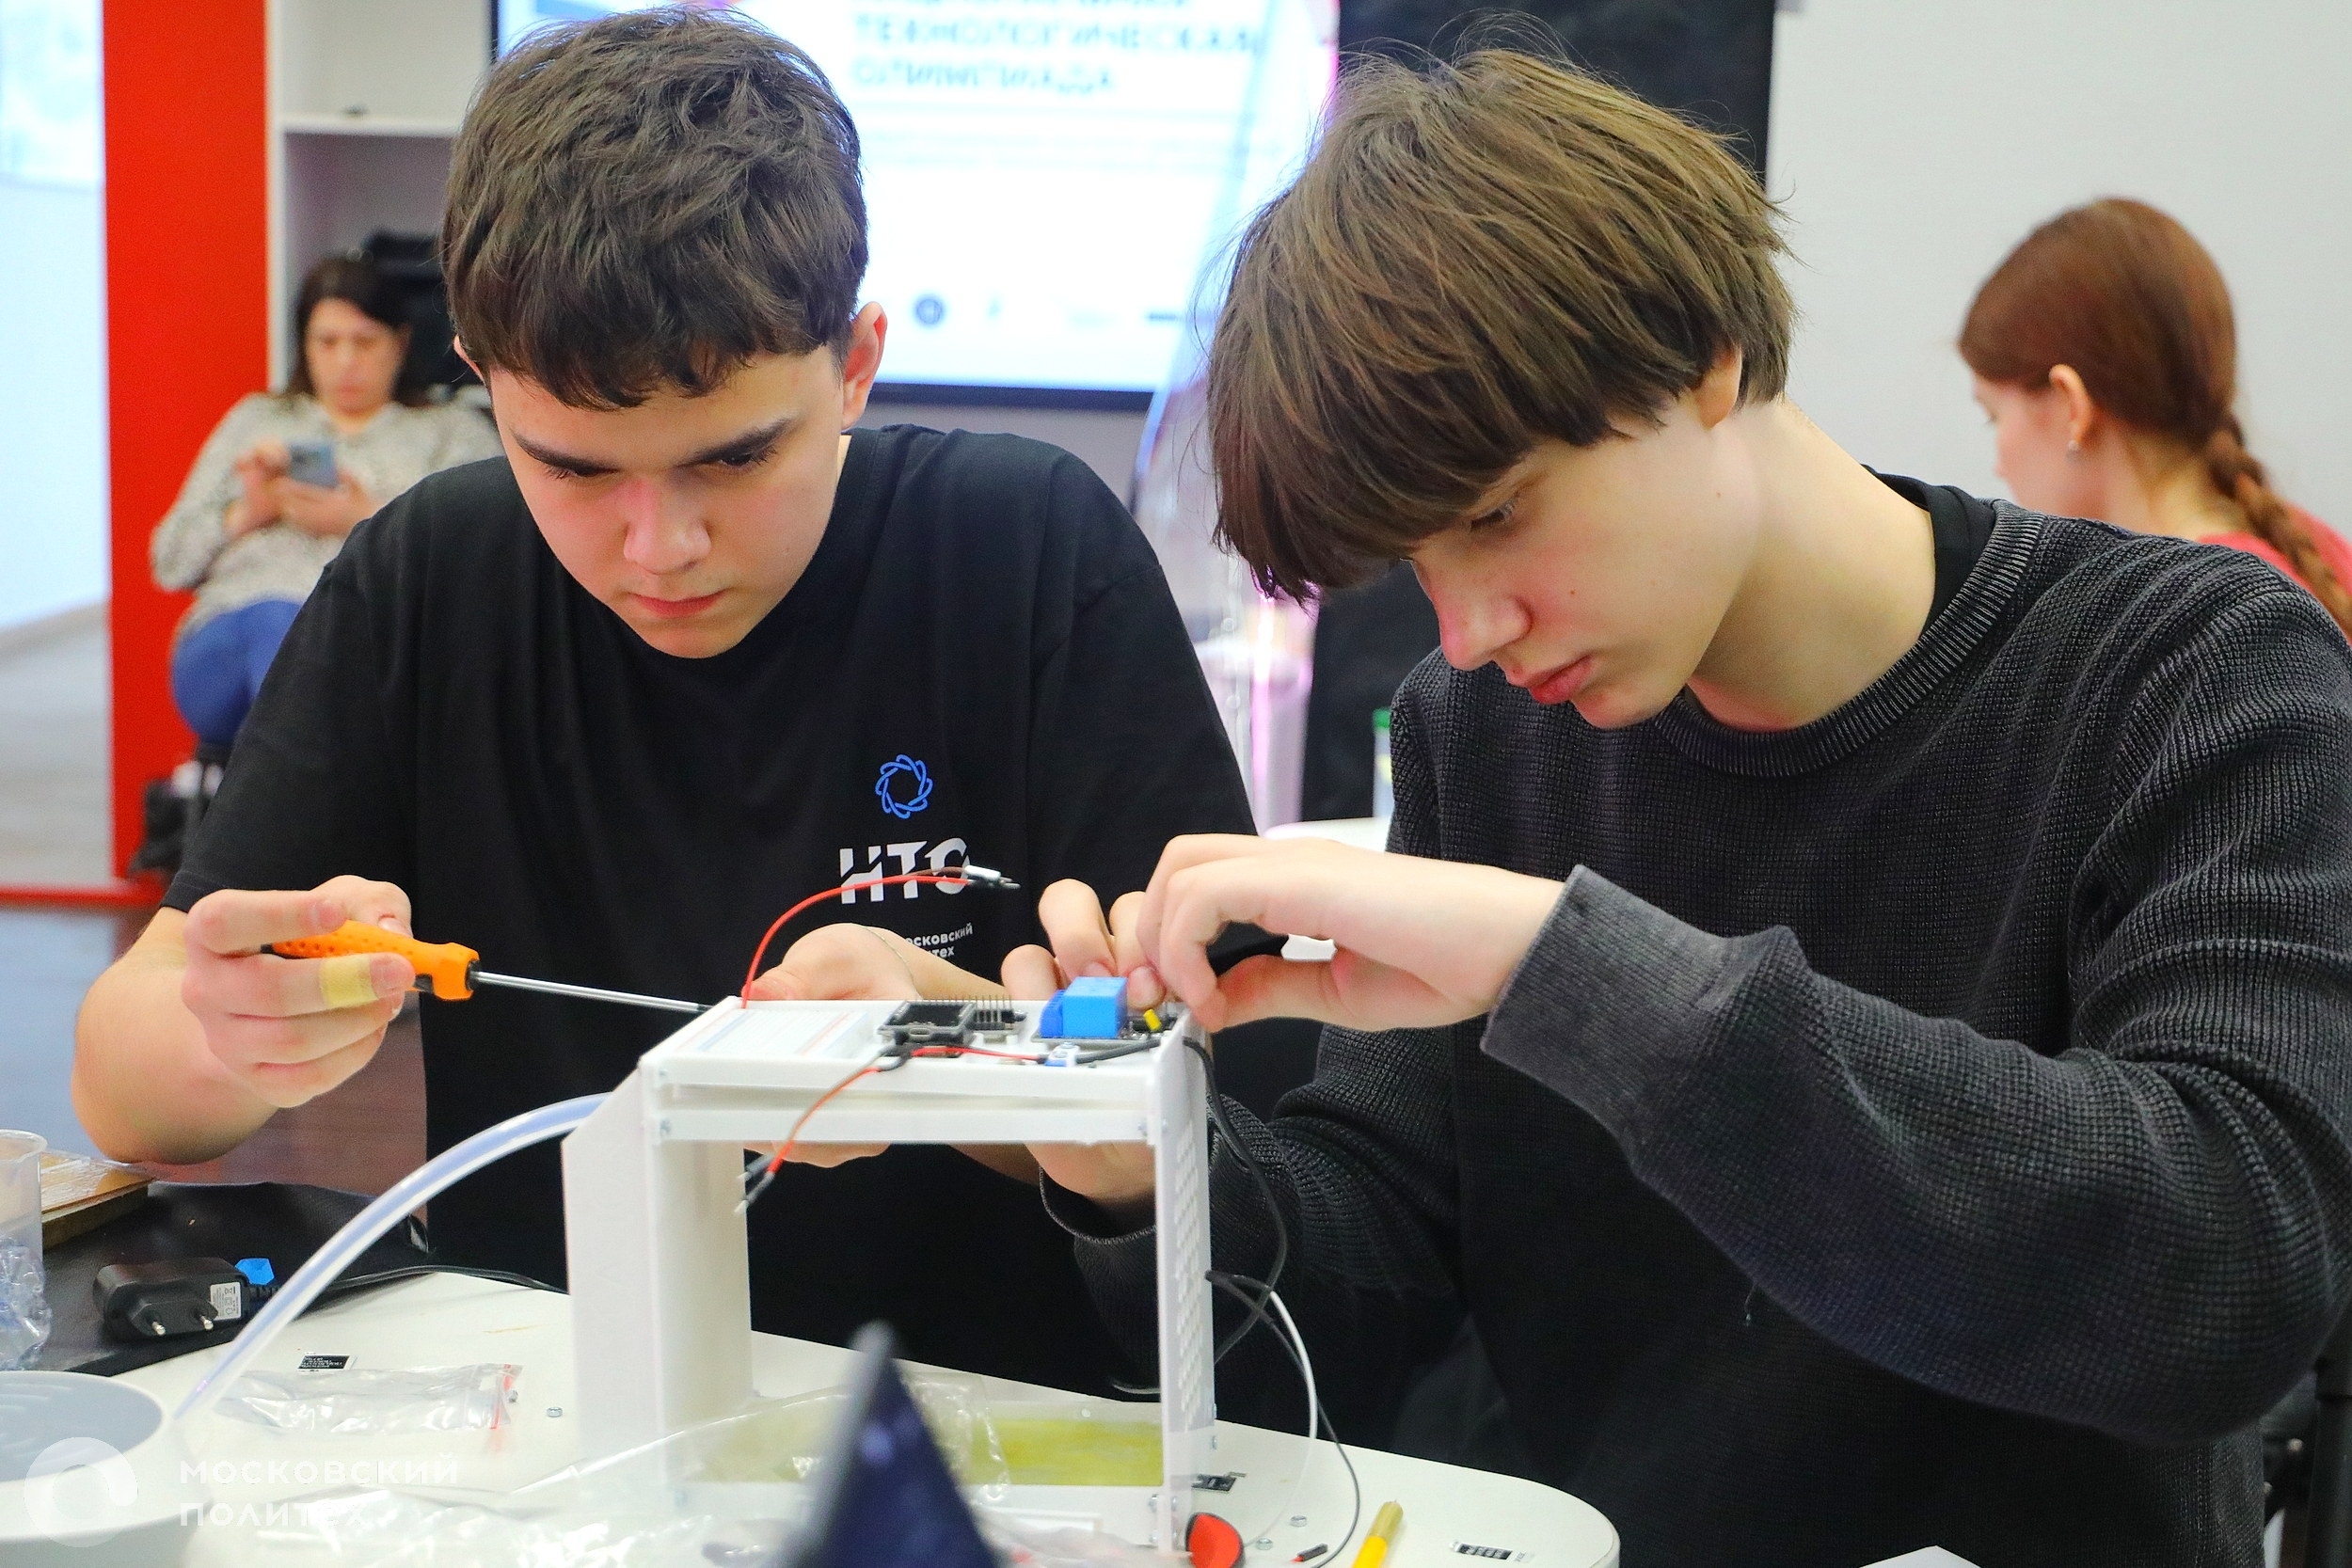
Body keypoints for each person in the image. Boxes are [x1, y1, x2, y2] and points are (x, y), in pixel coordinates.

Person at [819, 52, 2352, 1567]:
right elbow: (1366, 1297)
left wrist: (1570, 966)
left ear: (1705, 360)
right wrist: (1141, 1164)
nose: (1470, 628)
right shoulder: (1488, 731)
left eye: (1498, 513)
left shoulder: (2196, 672)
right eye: (1418, 566)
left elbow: (2232, 1270)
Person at [74, 8, 1256, 1396]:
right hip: (550, 1406)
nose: (659, 547)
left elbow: (1240, 1136)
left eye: (733, 458)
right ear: (483, 384)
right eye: (574, 469)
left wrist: (948, 1036)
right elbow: (122, 1089)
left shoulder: (1026, 553)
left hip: (984, 1423)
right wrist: (240, 1034)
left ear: (855, 363)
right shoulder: (432, 576)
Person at [150, 255, 501, 751]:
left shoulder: (451, 433)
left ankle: (297, 786)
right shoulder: (257, 420)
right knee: (289, 627)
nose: (345, 362)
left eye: (365, 342)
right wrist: (249, 513)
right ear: (304, 344)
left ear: (400, 343)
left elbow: (488, 563)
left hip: (385, 644)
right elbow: (168, 564)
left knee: (338, 642)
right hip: (239, 634)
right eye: (327, 342)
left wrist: (365, 518)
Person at [1962, 197, 2352, 638]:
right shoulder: (2318, 552)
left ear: (2072, 408)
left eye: (1994, 417)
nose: (1998, 466)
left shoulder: (2186, 619)